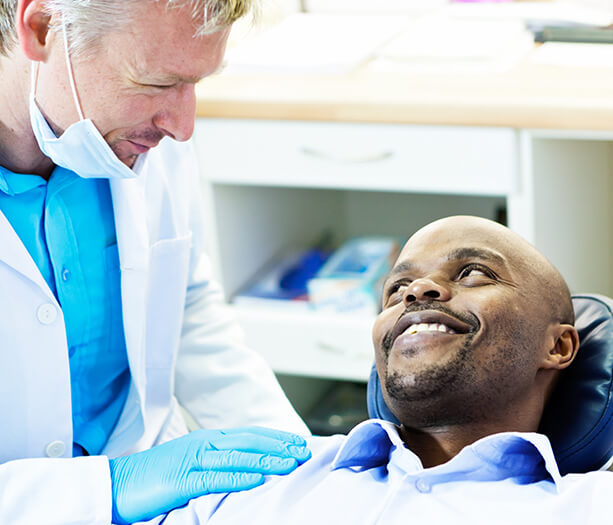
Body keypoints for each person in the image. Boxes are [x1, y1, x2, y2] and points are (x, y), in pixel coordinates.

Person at [0, 1, 311, 524]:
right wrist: (108, 491)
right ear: (43, 27)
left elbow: (183, 303)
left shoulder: (135, 138)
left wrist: (300, 467)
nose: (182, 125)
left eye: (194, 83)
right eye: (157, 82)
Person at [145, 216, 613, 524]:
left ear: (558, 345)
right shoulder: (255, 486)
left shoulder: (589, 506)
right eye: (398, 288)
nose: (418, 291)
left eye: (472, 273)